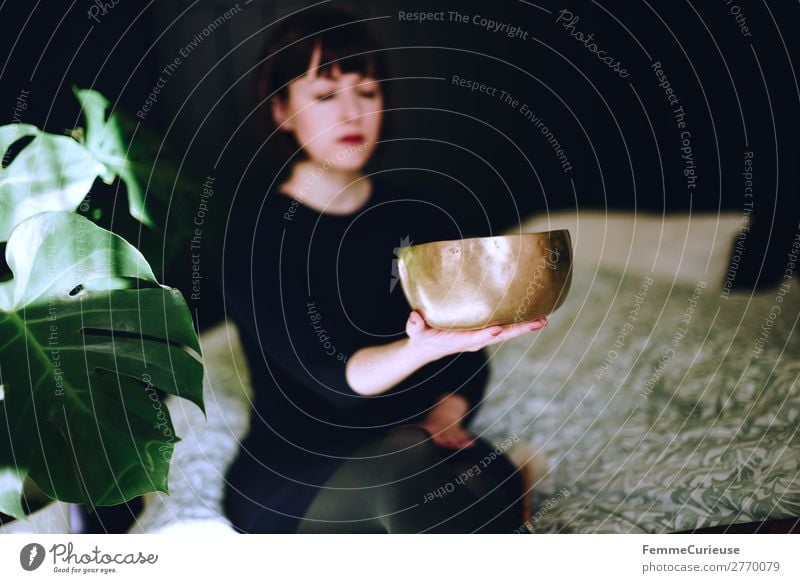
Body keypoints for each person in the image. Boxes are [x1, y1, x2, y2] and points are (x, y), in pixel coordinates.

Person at [222, 5, 547, 533]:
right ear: (282, 109)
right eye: (326, 96)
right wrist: (422, 347)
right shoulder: (255, 237)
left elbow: (467, 357)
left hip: (417, 441)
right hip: (300, 469)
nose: (352, 114)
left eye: (366, 93)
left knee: (438, 472)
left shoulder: (419, 212)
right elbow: (333, 379)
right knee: (411, 486)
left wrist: (449, 411)